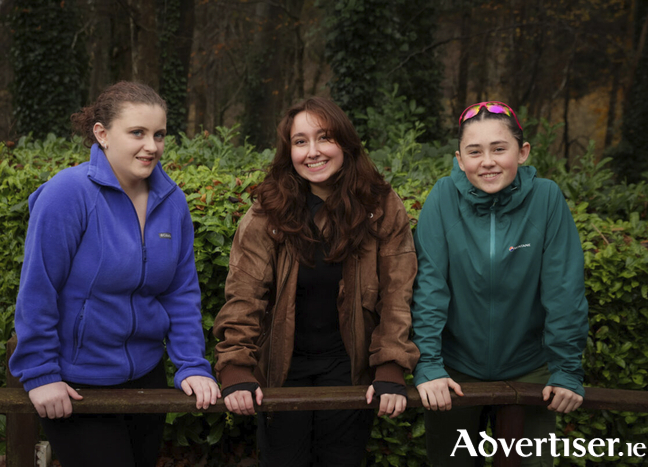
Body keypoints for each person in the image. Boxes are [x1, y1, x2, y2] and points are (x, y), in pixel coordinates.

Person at [8, 81, 220, 467]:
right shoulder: (67, 194)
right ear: (102, 134)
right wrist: (40, 374)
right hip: (77, 384)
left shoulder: (172, 201)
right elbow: (38, 289)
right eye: (137, 132)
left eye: (159, 135)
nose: (151, 146)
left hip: (146, 380)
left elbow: (181, 291)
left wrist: (191, 363)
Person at [213, 96, 420, 466]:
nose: (313, 152)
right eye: (300, 141)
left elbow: (396, 294)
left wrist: (390, 366)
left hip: (349, 368)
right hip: (283, 367)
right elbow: (244, 293)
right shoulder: (268, 211)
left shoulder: (382, 207)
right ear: (288, 150)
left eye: (324, 138)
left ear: (345, 143)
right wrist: (235, 366)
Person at [411, 101, 589, 466]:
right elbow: (429, 287)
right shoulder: (442, 198)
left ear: (522, 152)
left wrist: (566, 369)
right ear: (460, 159)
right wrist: (428, 364)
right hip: (455, 369)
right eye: (474, 151)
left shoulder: (547, 198)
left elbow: (564, 290)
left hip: (530, 370)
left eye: (499, 148)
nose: (487, 161)